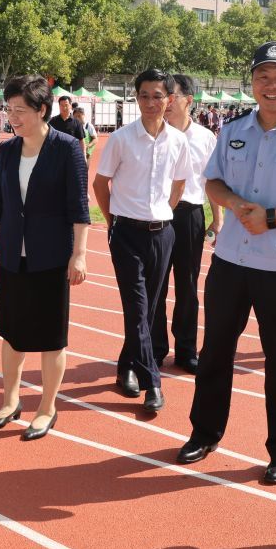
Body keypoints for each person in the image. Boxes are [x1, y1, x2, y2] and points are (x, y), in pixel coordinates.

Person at [176, 42, 276, 485]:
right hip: (230, 261)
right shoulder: (234, 130)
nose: (271, 86)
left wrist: (272, 218)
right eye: (262, 77)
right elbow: (212, 182)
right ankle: (204, 432)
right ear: (251, 83)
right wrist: (233, 203)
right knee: (215, 353)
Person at [0, 75, 90, 440]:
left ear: (42, 110)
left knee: (51, 337)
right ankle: (10, 401)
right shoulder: (7, 151)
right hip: (10, 257)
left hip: (51, 257)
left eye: (20, 110)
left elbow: (79, 207)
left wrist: (79, 255)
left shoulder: (66, 148)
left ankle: (47, 408)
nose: (13, 117)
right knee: (11, 333)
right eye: (9, 109)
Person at [93, 69, 191, 413]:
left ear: (170, 100)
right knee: (137, 307)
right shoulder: (121, 139)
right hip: (126, 235)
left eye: (158, 96)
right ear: (136, 98)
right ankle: (153, 382)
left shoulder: (177, 141)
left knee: (147, 309)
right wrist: (112, 221)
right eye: (144, 96)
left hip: (162, 234)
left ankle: (126, 368)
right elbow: (100, 184)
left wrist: (164, 213)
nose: (151, 102)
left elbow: (179, 183)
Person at [152, 74, 221, 374]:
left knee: (188, 285)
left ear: (189, 100)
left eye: (173, 96)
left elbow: (212, 181)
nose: (167, 102)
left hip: (190, 215)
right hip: (158, 216)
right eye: (164, 96)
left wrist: (218, 218)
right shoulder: (156, 133)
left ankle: (186, 349)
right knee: (156, 284)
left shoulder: (205, 138)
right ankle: (155, 349)